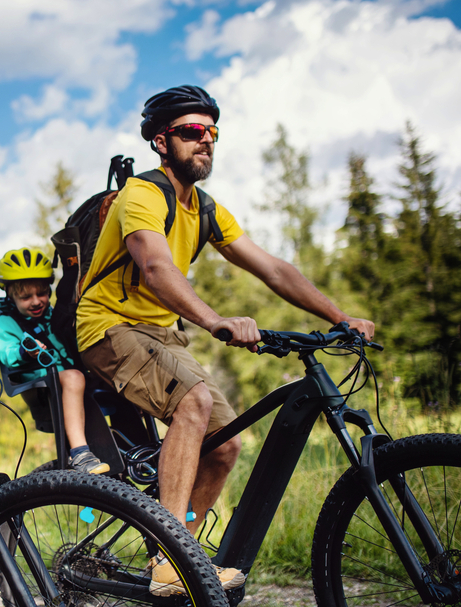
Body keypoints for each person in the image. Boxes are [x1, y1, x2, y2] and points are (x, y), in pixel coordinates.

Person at [75, 85, 376, 597]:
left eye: (212, 132)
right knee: (193, 402)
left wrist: (339, 315)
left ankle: (176, 561)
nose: (206, 141)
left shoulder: (207, 208)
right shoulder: (143, 195)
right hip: (108, 326)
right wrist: (214, 319)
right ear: (160, 142)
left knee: (225, 443)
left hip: (162, 335)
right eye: (193, 132)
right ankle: (173, 563)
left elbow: (274, 270)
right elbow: (154, 266)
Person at [0, 247, 109, 474]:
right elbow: (6, 353)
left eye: (42, 293)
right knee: (74, 377)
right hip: (42, 386)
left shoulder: (53, 316)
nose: (36, 302)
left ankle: (133, 446)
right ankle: (80, 453)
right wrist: (26, 351)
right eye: (26, 297)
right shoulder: (8, 323)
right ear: (11, 296)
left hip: (66, 379)